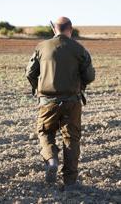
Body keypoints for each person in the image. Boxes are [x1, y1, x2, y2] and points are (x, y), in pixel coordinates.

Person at [26, 17, 95, 190]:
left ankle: (51, 160)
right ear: (70, 29)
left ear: (54, 29)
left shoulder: (42, 47)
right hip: (72, 102)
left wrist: (38, 90)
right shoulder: (79, 49)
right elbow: (90, 76)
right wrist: (80, 85)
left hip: (47, 102)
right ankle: (70, 181)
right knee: (71, 138)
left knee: (45, 132)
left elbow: (30, 73)